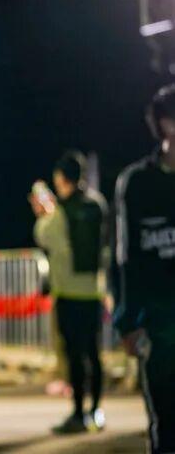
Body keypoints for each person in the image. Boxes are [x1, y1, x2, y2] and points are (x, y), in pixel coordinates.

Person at [114, 84, 175, 453]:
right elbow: (126, 257)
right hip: (161, 326)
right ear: (166, 124)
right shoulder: (137, 183)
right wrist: (127, 321)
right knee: (167, 427)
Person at [31, 151, 108, 434]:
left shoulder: (60, 212)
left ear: (62, 179)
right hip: (94, 290)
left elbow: (42, 236)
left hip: (68, 293)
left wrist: (44, 213)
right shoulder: (98, 205)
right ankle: (96, 410)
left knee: (75, 355)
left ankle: (78, 413)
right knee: (94, 353)